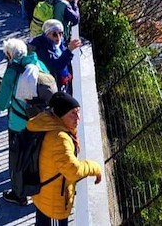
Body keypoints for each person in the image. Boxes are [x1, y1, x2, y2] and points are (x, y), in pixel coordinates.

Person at [26, 92, 102, 225]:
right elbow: (73, 171)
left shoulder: (48, 123)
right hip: (53, 204)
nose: (78, 117)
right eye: (72, 113)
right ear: (61, 115)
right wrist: (95, 167)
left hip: (44, 195)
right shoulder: (60, 138)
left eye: (78, 112)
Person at [0, 38, 49, 206]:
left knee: (17, 160)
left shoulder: (12, 72)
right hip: (39, 122)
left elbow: (1, 104)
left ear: (10, 55)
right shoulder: (38, 64)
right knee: (35, 157)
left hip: (18, 124)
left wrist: (1, 88)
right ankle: (38, 189)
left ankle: (19, 195)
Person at [28, 19, 81, 94]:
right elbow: (55, 67)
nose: (58, 37)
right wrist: (69, 51)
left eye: (61, 33)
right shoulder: (43, 48)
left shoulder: (60, 45)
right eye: (54, 34)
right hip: (51, 88)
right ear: (47, 34)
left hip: (63, 84)